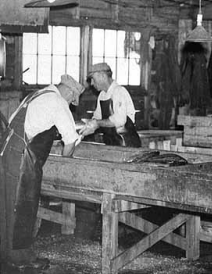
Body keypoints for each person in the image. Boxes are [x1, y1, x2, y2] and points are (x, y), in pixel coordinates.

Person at [0, 74, 84, 272]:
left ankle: (6, 252)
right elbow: (70, 140)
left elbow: (14, 121)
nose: (71, 103)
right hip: (22, 158)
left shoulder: (37, 95)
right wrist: (66, 160)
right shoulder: (58, 102)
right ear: (69, 92)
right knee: (21, 207)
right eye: (72, 99)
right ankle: (20, 258)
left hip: (7, 152)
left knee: (6, 205)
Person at [79, 62, 141, 147]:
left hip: (127, 144)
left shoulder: (119, 91)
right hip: (111, 143)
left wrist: (97, 123)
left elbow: (120, 120)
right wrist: (88, 128)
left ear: (103, 76)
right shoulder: (102, 95)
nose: (92, 83)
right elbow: (97, 117)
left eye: (93, 79)